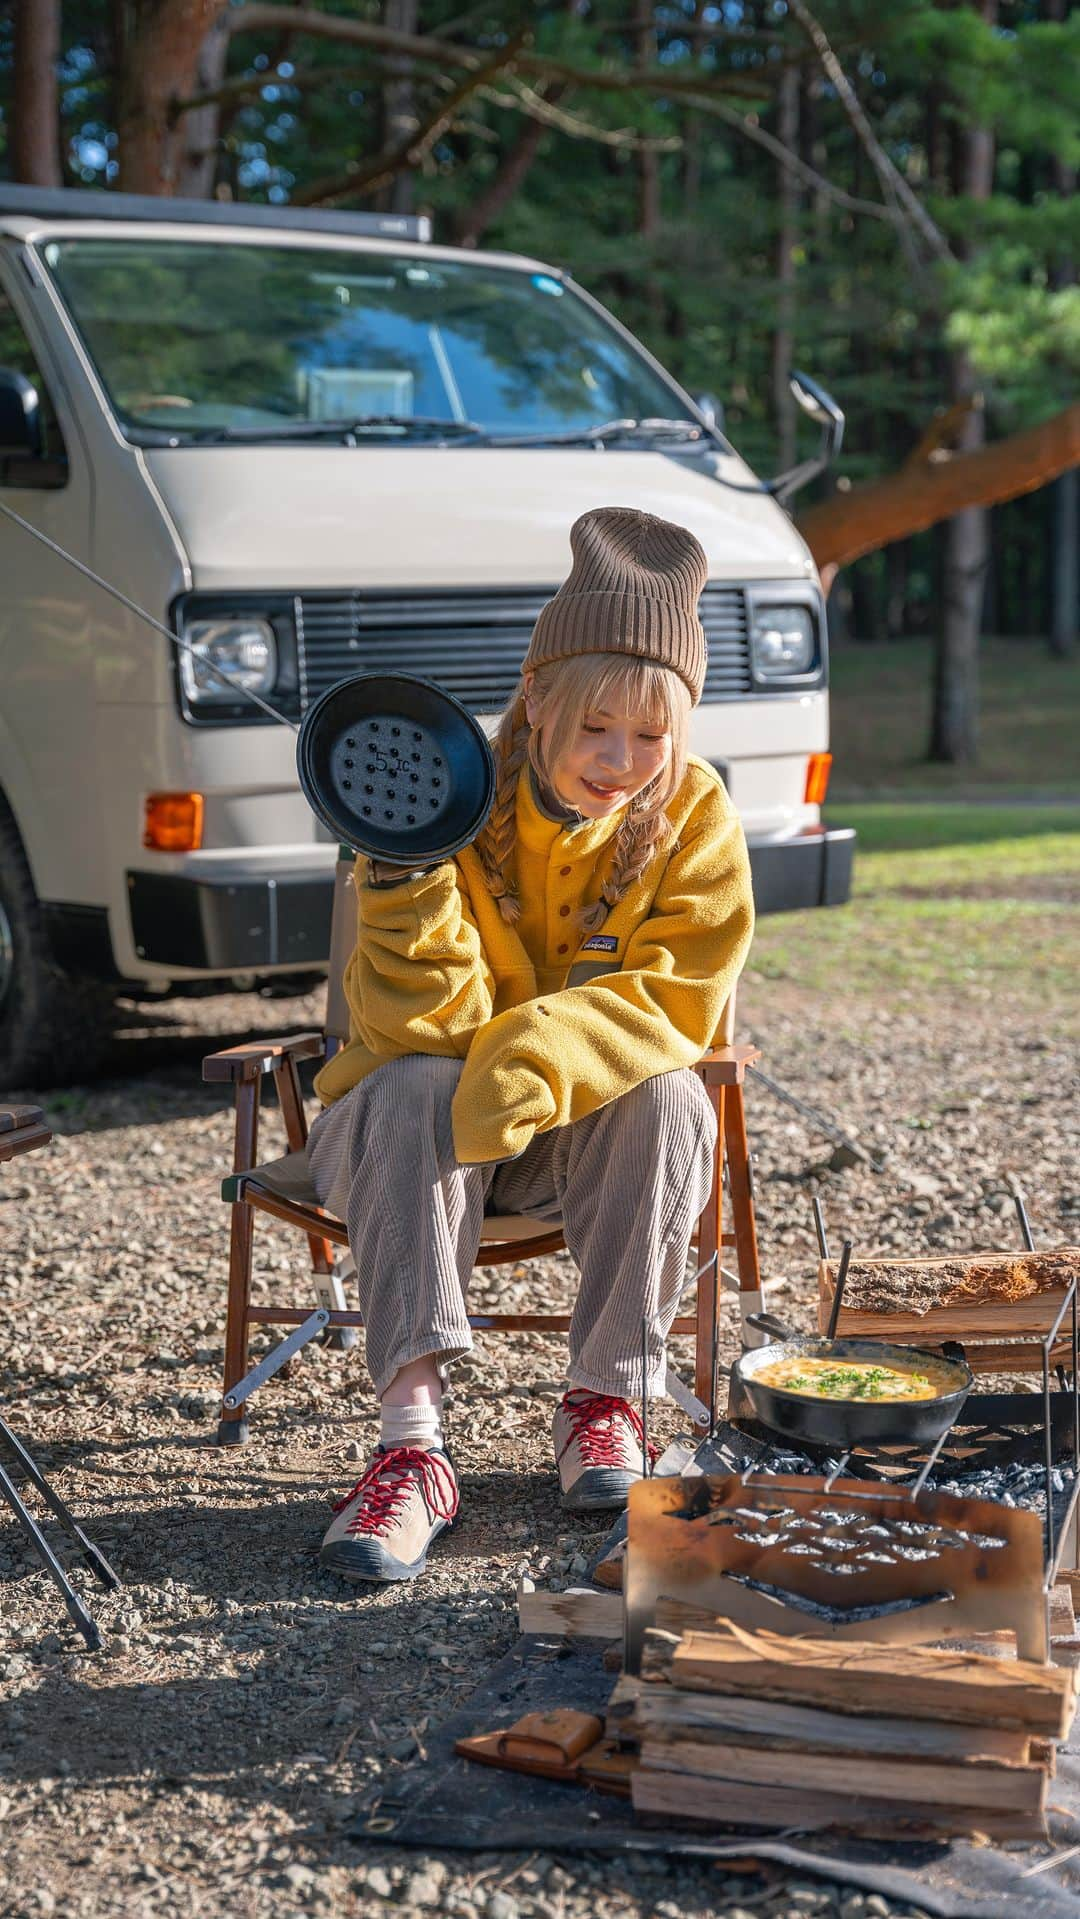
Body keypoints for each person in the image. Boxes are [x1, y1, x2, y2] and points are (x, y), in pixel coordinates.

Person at [307, 506, 754, 1582]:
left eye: (651, 735)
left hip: (567, 1142)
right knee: (416, 1079)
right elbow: (419, 1025)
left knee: (669, 1096)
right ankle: (413, 1452)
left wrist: (534, 1052)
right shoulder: (440, 789)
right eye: (597, 722)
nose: (621, 760)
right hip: (411, 1136)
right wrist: (407, 878)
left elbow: (674, 998)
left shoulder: (694, 815)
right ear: (537, 693)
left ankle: (606, 1402)